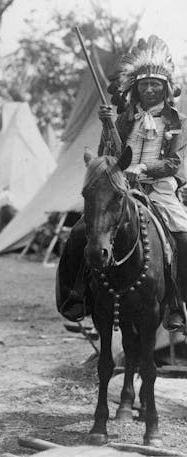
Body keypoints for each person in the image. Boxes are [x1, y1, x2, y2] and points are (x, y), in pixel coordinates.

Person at [57, 35, 187, 331]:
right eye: (143, 84)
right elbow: (109, 157)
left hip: (159, 190)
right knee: (80, 232)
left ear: (166, 89)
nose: (150, 89)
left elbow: (174, 162)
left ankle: (176, 303)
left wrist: (141, 168)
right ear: (135, 88)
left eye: (156, 84)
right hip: (121, 190)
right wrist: (106, 125)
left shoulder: (177, 120)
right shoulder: (125, 119)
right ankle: (78, 296)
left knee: (183, 236)